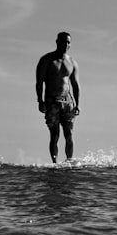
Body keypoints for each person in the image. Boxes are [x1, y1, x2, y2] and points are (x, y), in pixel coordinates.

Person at [36, 32, 80, 163]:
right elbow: (39, 82)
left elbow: (75, 85)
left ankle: (69, 161)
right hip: (52, 101)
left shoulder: (72, 62)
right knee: (54, 135)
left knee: (69, 134)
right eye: (63, 42)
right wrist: (40, 101)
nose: (66, 45)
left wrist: (77, 104)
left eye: (68, 42)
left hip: (68, 102)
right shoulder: (47, 60)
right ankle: (55, 163)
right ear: (57, 42)